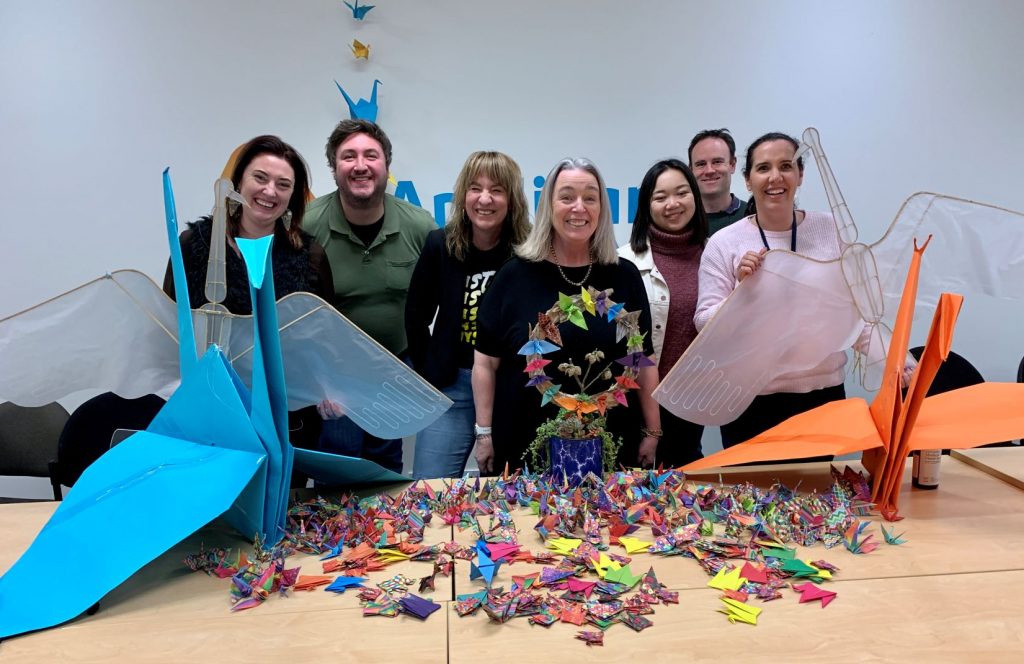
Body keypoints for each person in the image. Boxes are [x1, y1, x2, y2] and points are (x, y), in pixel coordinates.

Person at [473, 158, 661, 474]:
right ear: (548, 206)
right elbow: (485, 363)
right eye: (566, 196)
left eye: (590, 197)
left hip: (611, 445)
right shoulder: (513, 276)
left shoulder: (624, 275)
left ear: (602, 208)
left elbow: (643, 361)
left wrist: (653, 432)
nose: (579, 207)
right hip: (524, 445)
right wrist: (484, 434)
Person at [163, 134, 335, 461]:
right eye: (260, 177)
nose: (270, 191)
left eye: (283, 184)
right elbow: (170, 329)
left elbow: (324, 339)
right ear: (238, 182)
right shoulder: (192, 247)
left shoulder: (310, 257)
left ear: (293, 197)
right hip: (206, 419)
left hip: (286, 422)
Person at [694, 131, 852, 448]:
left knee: (818, 496)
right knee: (752, 496)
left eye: (786, 166)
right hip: (750, 402)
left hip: (823, 397)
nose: (775, 177)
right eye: (763, 168)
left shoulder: (831, 230)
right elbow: (703, 324)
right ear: (748, 181)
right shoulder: (724, 243)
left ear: (800, 175)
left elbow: (855, 311)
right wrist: (744, 292)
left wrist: (897, 361)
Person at [305, 119, 435, 473]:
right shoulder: (305, 225)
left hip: (394, 366)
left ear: (386, 166)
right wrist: (319, 380)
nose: (360, 165)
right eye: (348, 157)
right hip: (335, 374)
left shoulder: (420, 226)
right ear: (334, 169)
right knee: (339, 464)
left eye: (370, 156)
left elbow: (443, 298)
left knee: (387, 464)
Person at [405, 151, 531, 479]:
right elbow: (415, 314)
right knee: (428, 490)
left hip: (508, 388)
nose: (484, 199)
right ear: (463, 196)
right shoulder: (440, 245)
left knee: (506, 493)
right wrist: (429, 373)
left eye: (497, 190)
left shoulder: (529, 252)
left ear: (513, 200)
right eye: (475, 188)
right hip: (453, 386)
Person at [617, 159, 708, 466]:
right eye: (660, 197)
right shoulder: (623, 261)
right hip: (635, 397)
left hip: (688, 399)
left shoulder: (715, 254)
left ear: (695, 196)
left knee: (683, 490)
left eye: (681, 193)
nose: (673, 204)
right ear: (646, 205)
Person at [688, 129, 747, 235]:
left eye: (717, 162)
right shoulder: (681, 221)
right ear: (691, 169)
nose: (709, 170)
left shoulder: (753, 216)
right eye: (701, 164)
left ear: (732, 165)